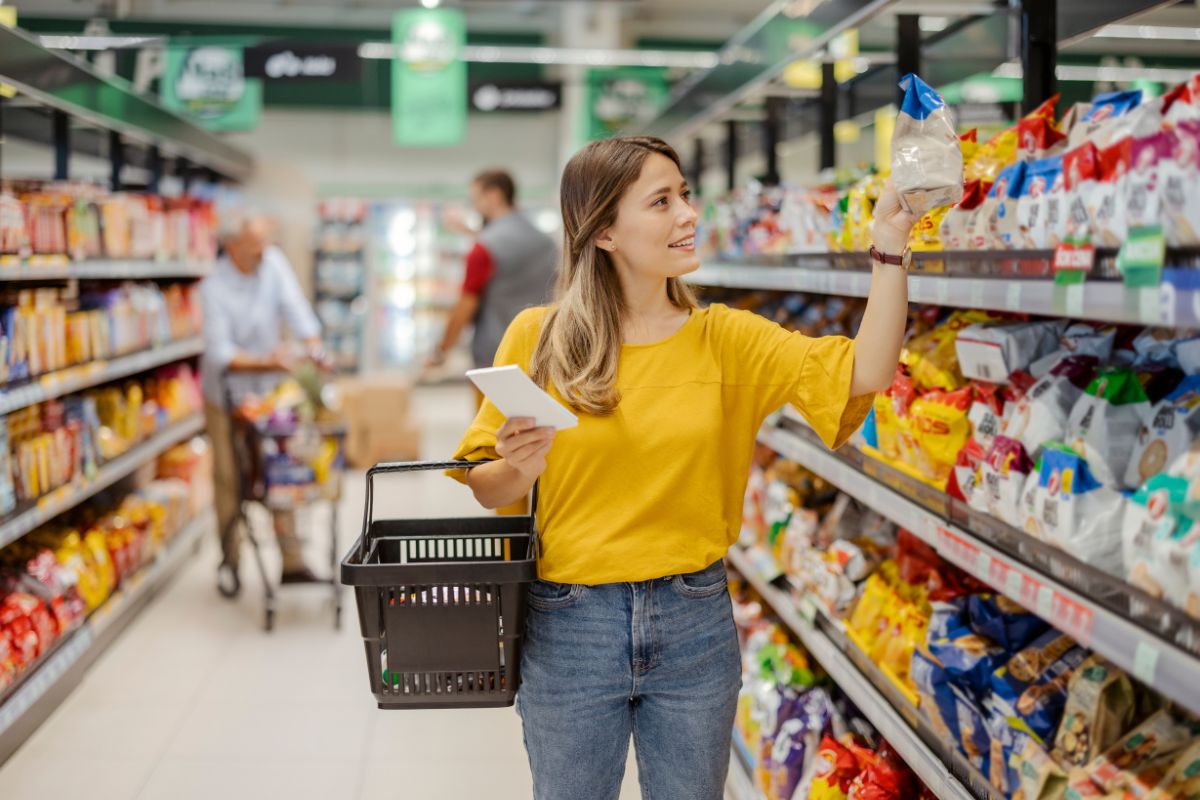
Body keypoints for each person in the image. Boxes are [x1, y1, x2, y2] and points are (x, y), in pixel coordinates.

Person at [450, 136, 915, 799]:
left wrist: (890, 248)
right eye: (662, 201)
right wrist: (518, 470)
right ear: (604, 231)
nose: (688, 215)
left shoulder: (726, 339)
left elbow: (866, 371)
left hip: (694, 622)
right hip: (572, 624)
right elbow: (485, 485)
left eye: (686, 195)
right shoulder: (540, 337)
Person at [200, 214, 326, 597]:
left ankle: (293, 562)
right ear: (233, 247)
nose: (263, 252)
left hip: (268, 395)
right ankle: (230, 560)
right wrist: (271, 361)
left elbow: (296, 308)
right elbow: (222, 353)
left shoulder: (271, 263)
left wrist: (313, 345)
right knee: (229, 478)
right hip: (226, 397)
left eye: (264, 244)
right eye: (255, 246)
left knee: (281, 469)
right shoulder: (213, 287)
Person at [427, 169, 557, 374]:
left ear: (494, 195)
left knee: (492, 408)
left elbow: (465, 304)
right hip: (542, 351)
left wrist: (441, 351)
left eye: (476, 199)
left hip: (495, 358)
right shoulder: (546, 242)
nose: (474, 206)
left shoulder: (483, 249)